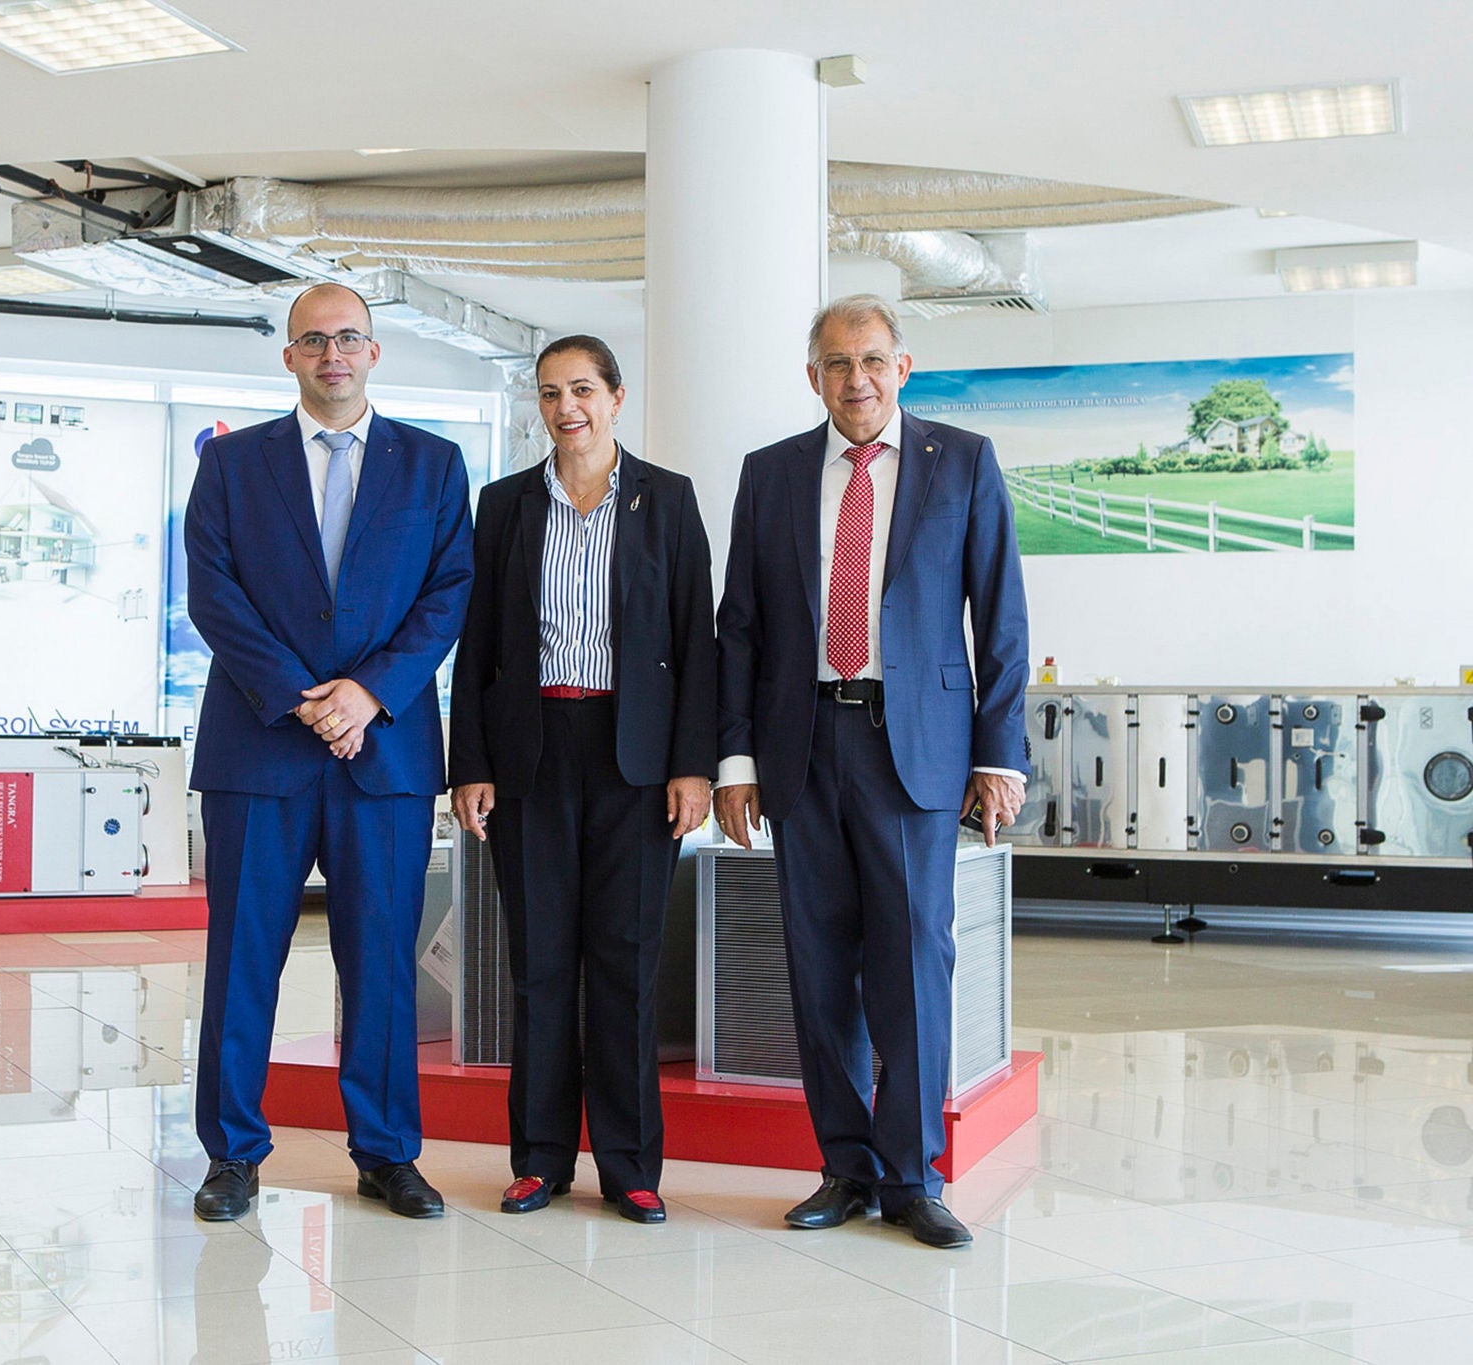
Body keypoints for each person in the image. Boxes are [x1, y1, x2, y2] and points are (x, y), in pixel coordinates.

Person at [713, 294, 1028, 1249]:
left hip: (915, 748)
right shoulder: (770, 472)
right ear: (814, 376)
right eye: (839, 363)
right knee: (818, 967)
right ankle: (845, 1167)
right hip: (801, 744)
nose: (858, 379)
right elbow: (741, 627)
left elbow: (1000, 615)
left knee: (915, 961)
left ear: (903, 367)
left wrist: (999, 752)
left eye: (874, 360)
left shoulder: (962, 460)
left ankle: (913, 1174)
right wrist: (735, 758)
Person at [183, 282, 474, 1222]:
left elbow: (448, 595)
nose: (332, 354)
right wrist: (304, 697)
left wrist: (368, 692)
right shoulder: (231, 464)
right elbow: (213, 594)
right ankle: (233, 1153)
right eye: (314, 340)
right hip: (258, 750)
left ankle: (387, 1152)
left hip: (382, 753)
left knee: (381, 964)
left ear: (374, 351)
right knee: (242, 961)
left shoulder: (433, 465)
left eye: (348, 337)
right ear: (290, 356)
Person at [448, 335, 715, 1224]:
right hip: (531, 756)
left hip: (636, 760)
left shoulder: (667, 500)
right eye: (552, 392)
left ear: (616, 397)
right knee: (540, 966)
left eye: (584, 390)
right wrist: (471, 764)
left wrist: (692, 764)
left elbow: (699, 641)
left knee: (625, 965)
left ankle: (630, 1166)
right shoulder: (506, 505)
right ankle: (539, 1159)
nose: (568, 408)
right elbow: (477, 645)